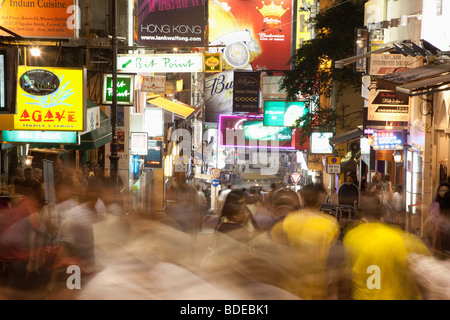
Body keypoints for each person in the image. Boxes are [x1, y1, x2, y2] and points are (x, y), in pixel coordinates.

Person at [343, 195, 431, 300]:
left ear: (361, 213)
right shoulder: (394, 237)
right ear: (381, 213)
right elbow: (408, 271)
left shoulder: (351, 236)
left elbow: (348, 274)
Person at [273, 183, 341, 299]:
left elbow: (279, 254)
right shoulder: (330, 224)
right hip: (318, 286)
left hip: (293, 286)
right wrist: (333, 291)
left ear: (302, 199)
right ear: (319, 200)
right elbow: (333, 262)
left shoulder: (289, 220)